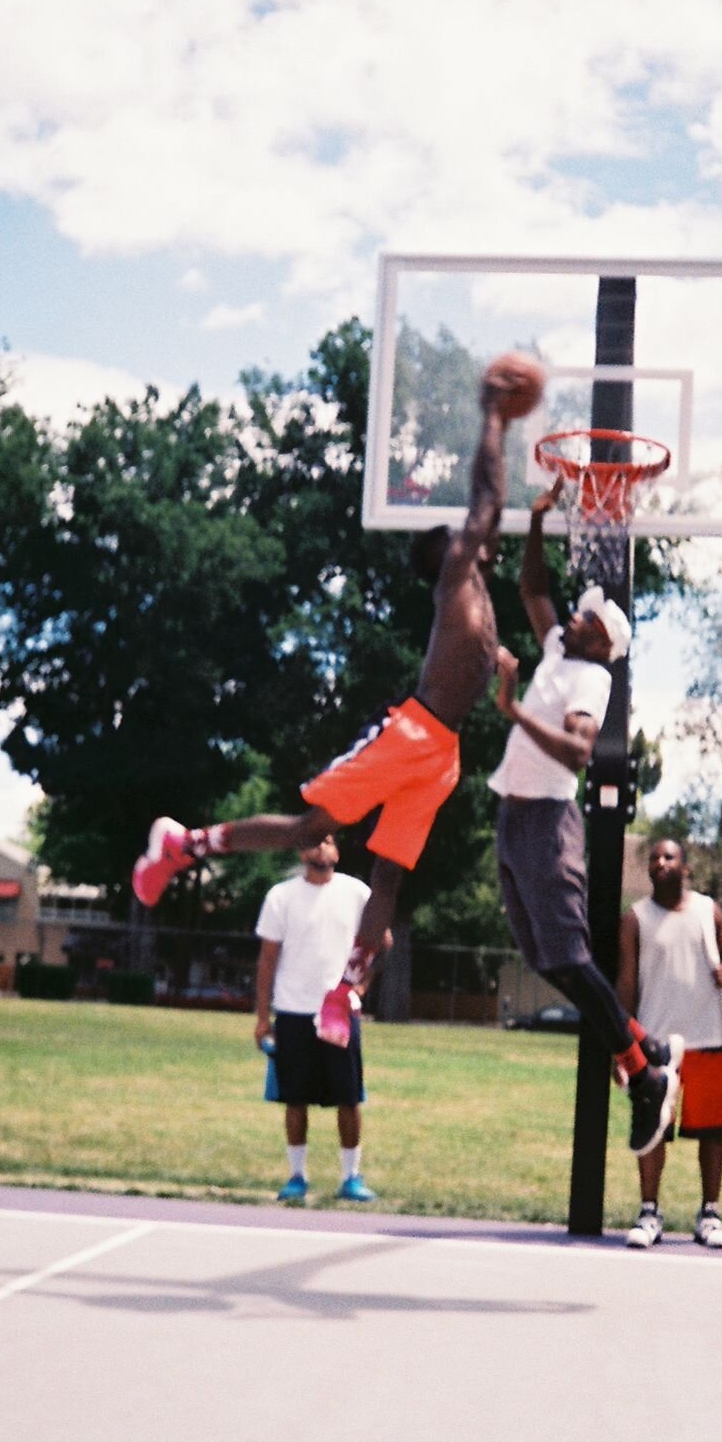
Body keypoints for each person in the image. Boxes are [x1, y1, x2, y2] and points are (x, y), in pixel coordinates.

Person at [132, 358, 535, 1043]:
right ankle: (184, 843)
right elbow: (487, 499)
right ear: (447, 552)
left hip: (442, 754)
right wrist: (494, 419)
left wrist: (500, 676)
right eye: (464, 534)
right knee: (306, 830)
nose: (476, 534)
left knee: (389, 879)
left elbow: (487, 634)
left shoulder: (478, 594)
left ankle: (342, 994)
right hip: (410, 732)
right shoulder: (456, 575)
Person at [490, 481, 682, 1158]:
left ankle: (645, 1068)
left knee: (569, 957)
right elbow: (531, 588)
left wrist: (512, 710)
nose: (573, 615)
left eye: (586, 618)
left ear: (602, 642)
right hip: (512, 820)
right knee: (550, 961)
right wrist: (539, 521)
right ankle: (643, 1053)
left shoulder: (590, 680)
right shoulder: (557, 655)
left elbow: (577, 752)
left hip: (546, 820)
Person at [617, 838, 722, 1248]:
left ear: (685, 868)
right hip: (655, 1043)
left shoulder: (709, 909)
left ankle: (710, 1213)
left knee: (713, 1132)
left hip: (710, 1036)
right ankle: (649, 1212)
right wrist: (621, 1046)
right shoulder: (636, 918)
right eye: (654, 858)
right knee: (654, 1132)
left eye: (668, 857)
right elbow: (626, 984)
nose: (660, 863)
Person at [255, 834, 379, 1203]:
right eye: (312, 843)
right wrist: (263, 1017)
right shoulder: (281, 896)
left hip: (339, 1010)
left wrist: (362, 985)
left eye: (326, 842)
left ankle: (351, 1178)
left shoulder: (357, 893)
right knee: (295, 1097)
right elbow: (266, 960)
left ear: (336, 851)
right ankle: (297, 1176)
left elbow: (380, 941)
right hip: (293, 1010)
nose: (319, 849)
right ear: (301, 851)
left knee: (348, 1097)